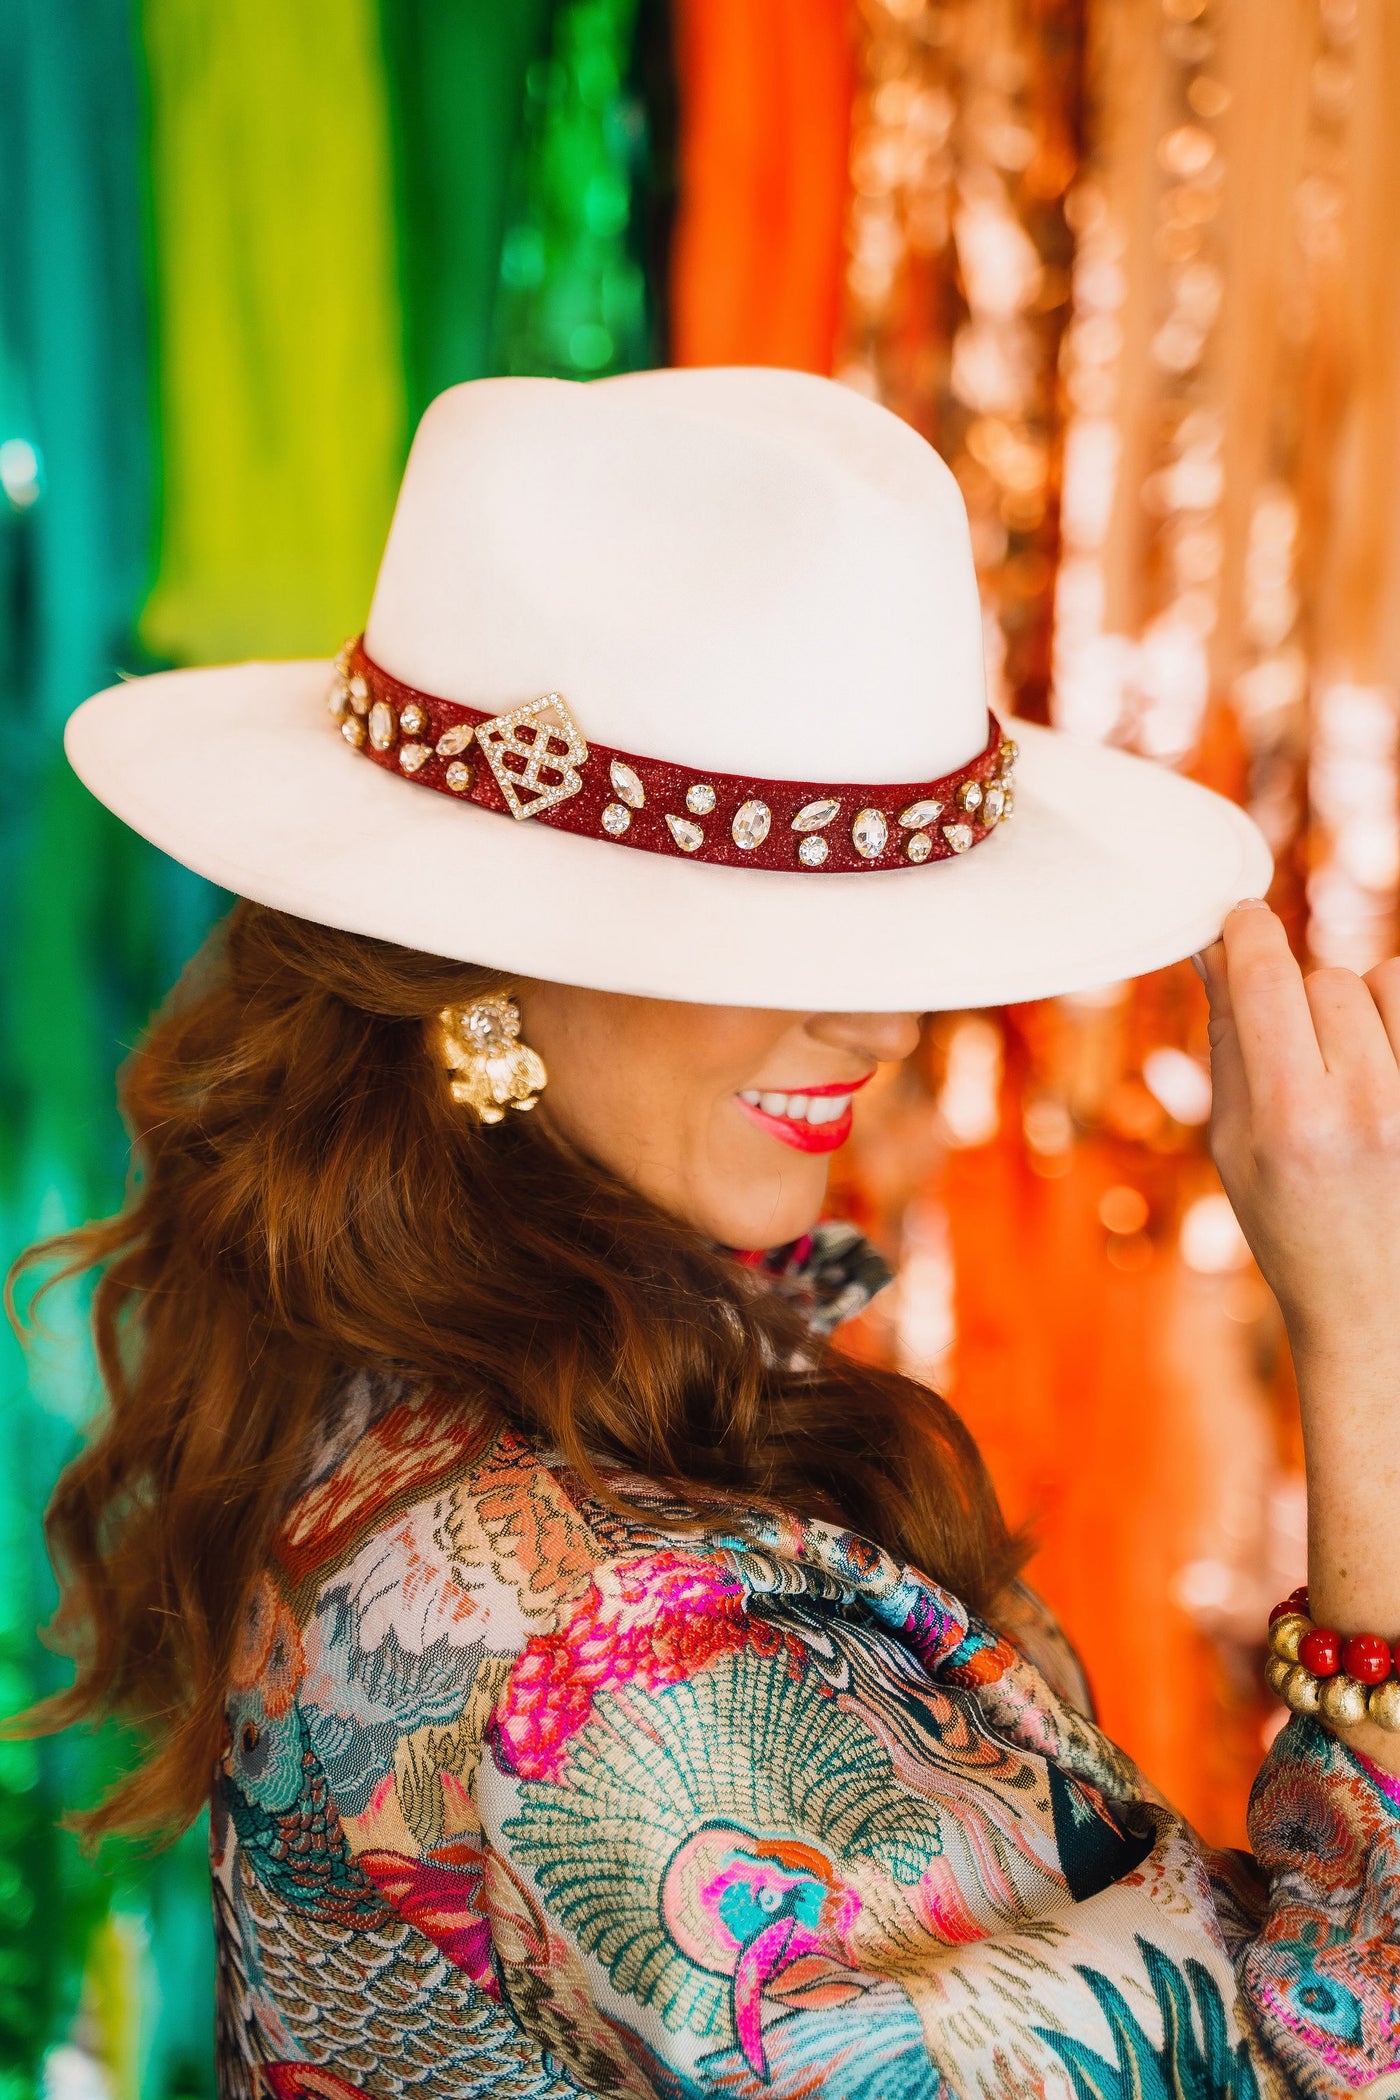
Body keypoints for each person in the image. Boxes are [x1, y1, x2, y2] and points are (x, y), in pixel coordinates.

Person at [21, 368, 1400, 2099]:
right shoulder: (629, 1659)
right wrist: (1375, 1360)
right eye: (764, 925)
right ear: (481, 948)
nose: (878, 1032)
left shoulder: (402, 1345)